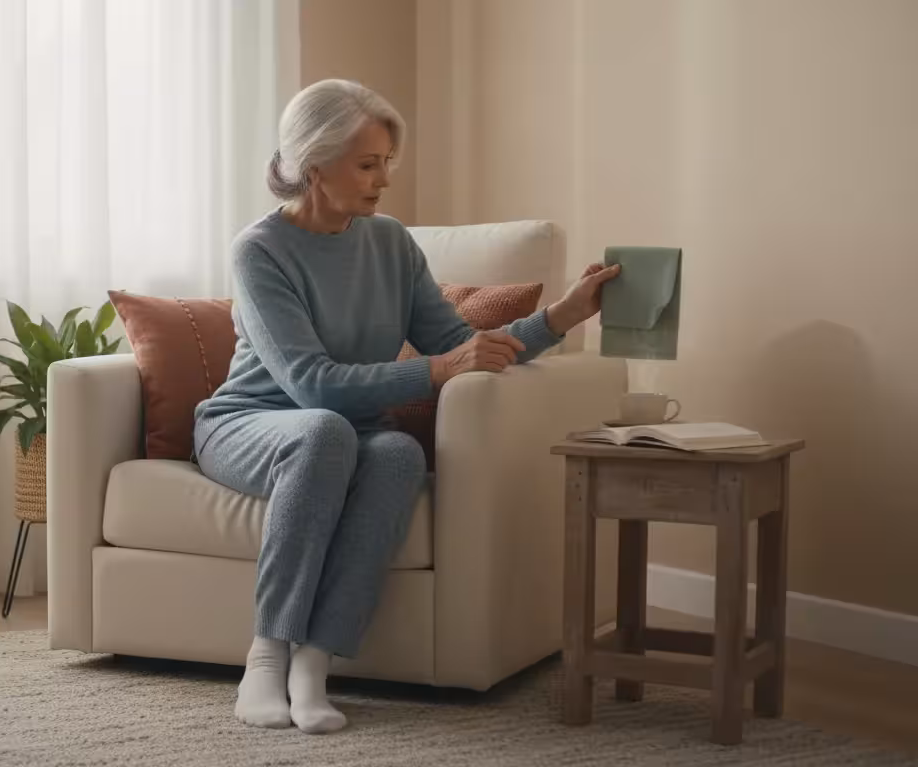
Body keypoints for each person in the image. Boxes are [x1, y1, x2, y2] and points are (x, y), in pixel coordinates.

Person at [191, 79, 619, 734]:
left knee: (394, 452)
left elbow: (457, 344)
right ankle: (266, 657)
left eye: (387, 162)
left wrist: (561, 316)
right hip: (248, 424)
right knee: (323, 431)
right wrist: (440, 370)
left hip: (346, 432)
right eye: (368, 164)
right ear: (314, 165)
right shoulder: (260, 250)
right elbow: (310, 386)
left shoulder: (390, 242)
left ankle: (314, 662)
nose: (384, 179)